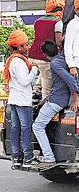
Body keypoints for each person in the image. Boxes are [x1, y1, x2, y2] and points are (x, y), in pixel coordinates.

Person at [32, 41, 79, 169]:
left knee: (37, 126)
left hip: (57, 101)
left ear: (45, 55)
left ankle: (49, 158)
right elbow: (59, 84)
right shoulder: (64, 59)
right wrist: (44, 100)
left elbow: (70, 80)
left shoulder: (54, 64)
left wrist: (75, 99)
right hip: (56, 99)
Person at [3, 30, 39, 168]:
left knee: (15, 128)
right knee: (25, 128)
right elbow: (25, 81)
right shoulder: (18, 62)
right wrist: (34, 70)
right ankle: (28, 158)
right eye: (25, 45)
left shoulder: (12, 60)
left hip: (14, 99)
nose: (28, 47)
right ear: (18, 48)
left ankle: (17, 158)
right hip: (23, 100)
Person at [29, 0, 64, 100]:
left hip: (32, 56)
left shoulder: (38, 21)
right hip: (45, 57)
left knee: (35, 81)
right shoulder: (58, 22)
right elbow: (58, 42)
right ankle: (44, 110)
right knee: (47, 89)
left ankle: (35, 91)